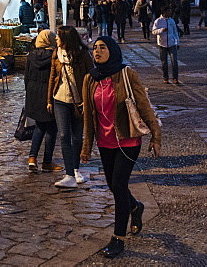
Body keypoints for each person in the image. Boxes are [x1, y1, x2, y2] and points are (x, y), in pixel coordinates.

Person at [81, 36, 162, 259]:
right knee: (114, 185)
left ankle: (118, 239)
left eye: (102, 48)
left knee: (118, 185)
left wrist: (156, 137)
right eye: (95, 48)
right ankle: (135, 207)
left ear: (113, 51)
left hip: (128, 139)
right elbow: (89, 115)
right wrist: (86, 146)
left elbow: (144, 106)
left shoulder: (127, 74)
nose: (97, 52)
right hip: (104, 141)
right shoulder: (90, 78)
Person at [48, 26, 94, 188]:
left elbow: (92, 78)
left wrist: (87, 100)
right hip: (60, 99)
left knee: (77, 137)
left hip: (79, 102)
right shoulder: (56, 55)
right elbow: (52, 78)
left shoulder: (83, 56)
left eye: (59, 37)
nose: (56, 39)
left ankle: (75, 169)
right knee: (63, 136)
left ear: (67, 38)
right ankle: (69, 175)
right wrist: (49, 100)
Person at [24, 30, 60, 172]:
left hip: (33, 91)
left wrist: (29, 92)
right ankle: (47, 162)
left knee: (39, 126)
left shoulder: (31, 55)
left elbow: (26, 76)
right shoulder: (54, 55)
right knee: (51, 128)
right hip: (48, 93)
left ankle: (32, 157)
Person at [152, 5, 181, 84]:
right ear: (164, 12)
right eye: (168, 11)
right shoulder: (158, 21)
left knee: (174, 61)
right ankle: (166, 77)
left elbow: (175, 32)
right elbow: (154, 31)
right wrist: (161, 30)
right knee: (164, 62)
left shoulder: (171, 21)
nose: (170, 12)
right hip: (162, 44)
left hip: (172, 43)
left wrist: (177, 42)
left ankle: (175, 78)